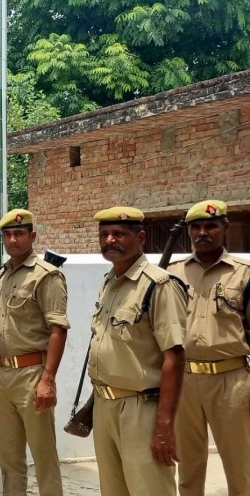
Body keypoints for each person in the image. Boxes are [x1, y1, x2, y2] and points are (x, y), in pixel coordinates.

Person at [89, 206, 186, 496]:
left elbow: (174, 357)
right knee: (113, 490)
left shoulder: (160, 285)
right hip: (104, 405)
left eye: (118, 234)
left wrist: (165, 425)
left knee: (150, 489)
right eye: (104, 234)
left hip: (140, 408)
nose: (109, 240)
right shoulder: (109, 282)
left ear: (140, 237)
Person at [0, 209, 68, 496]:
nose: (12, 240)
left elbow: (58, 329)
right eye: (7, 235)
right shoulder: (4, 274)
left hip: (32, 374)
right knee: (8, 456)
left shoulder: (47, 276)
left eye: (18, 234)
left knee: (43, 456)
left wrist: (48, 379)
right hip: (3, 374)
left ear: (33, 236)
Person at [166, 200, 250, 496]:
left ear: (224, 228)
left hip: (231, 380)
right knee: (188, 466)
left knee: (240, 464)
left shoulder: (244, 274)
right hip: (184, 380)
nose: (203, 233)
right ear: (189, 231)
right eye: (196, 227)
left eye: (210, 226)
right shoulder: (172, 273)